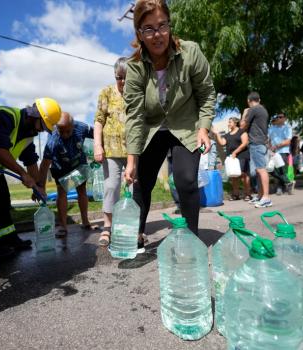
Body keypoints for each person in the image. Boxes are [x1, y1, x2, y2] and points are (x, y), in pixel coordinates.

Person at [123, 0, 216, 247]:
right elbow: (134, 115)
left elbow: (206, 93)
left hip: (185, 126)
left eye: (162, 25)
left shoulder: (190, 52)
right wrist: (131, 160)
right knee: (141, 181)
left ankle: (191, 239)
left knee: (186, 180)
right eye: (149, 29)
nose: (157, 35)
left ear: (170, 25)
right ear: (139, 34)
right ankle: (136, 234)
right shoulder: (134, 68)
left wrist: (204, 128)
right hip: (153, 129)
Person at [0, 98, 61, 258]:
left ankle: (10, 239)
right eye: (43, 126)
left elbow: (31, 161)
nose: (42, 131)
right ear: (34, 116)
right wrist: (23, 174)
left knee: (3, 204)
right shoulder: (7, 117)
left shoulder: (28, 133)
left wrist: (38, 187)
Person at [39, 113, 95, 238]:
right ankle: (63, 227)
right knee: (62, 191)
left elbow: (97, 134)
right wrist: (41, 187)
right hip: (60, 167)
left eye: (68, 131)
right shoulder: (53, 140)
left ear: (73, 126)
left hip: (78, 163)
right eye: (61, 131)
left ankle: (85, 222)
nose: (64, 135)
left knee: (82, 190)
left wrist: (98, 149)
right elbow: (44, 165)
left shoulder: (82, 128)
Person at [93, 57, 129, 246]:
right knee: (111, 187)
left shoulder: (136, 93)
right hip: (112, 149)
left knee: (133, 189)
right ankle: (108, 226)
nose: (122, 81)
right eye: (119, 77)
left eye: (126, 78)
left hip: (132, 151)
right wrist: (97, 146)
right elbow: (99, 120)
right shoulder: (106, 92)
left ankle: (133, 227)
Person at [243, 92, 272, 208]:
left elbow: (242, 125)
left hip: (256, 142)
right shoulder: (263, 109)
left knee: (261, 170)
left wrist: (245, 113)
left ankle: (266, 198)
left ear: (249, 100)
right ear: (259, 99)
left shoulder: (253, 109)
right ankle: (261, 196)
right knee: (259, 171)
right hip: (261, 142)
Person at [213, 117, 252, 201]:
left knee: (243, 175)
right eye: (228, 122)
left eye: (230, 122)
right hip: (232, 157)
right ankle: (235, 194)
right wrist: (217, 134)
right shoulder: (227, 135)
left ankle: (248, 194)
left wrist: (235, 152)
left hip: (242, 155)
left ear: (235, 123)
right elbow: (222, 143)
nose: (228, 124)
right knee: (234, 176)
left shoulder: (242, 132)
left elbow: (245, 143)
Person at [268, 112, 294, 195]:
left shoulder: (287, 127)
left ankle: (281, 188)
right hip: (273, 152)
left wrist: (276, 146)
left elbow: (288, 141)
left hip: (283, 151)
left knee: (281, 170)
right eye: (278, 117)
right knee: (271, 170)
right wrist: (269, 148)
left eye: (281, 117)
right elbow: (268, 139)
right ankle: (288, 182)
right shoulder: (272, 128)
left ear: (285, 118)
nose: (279, 118)